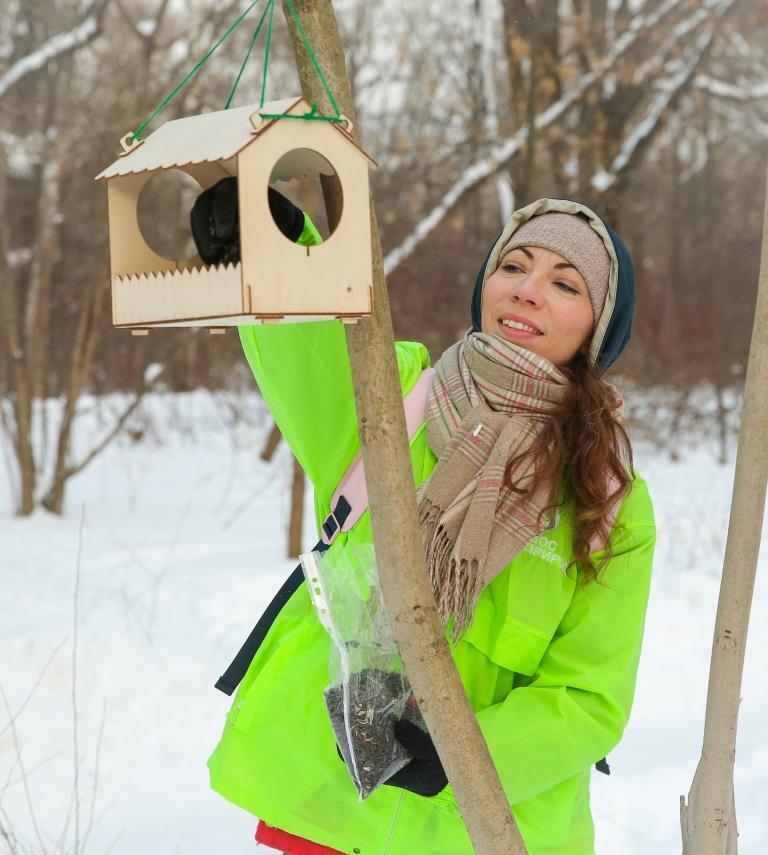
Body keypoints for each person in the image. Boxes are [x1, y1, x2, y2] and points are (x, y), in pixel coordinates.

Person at [202, 190, 656, 855]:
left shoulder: (606, 500)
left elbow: (589, 697)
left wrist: (463, 753)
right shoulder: (396, 394)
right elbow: (305, 341)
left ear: (599, 326)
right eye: (513, 267)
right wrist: (263, 241)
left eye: (565, 283)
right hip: (330, 806)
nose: (527, 290)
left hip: (480, 830)